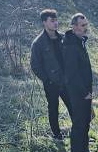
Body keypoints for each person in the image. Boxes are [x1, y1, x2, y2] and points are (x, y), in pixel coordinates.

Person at [29, 9, 69, 142]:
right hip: (51, 83)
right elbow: (35, 65)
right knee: (53, 108)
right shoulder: (38, 43)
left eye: (56, 20)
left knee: (74, 107)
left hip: (67, 81)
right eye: (52, 21)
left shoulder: (64, 38)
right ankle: (57, 135)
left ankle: (78, 133)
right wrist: (47, 80)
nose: (56, 23)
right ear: (44, 22)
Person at [62, 13, 94, 152]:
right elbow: (72, 74)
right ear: (74, 27)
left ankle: (84, 150)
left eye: (86, 25)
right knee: (79, 122)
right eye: (82, 25)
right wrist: (83, 92)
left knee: (85, 120)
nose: (85, 28)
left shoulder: (79, 41)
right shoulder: (70, 45)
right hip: (77, 91)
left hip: (86, 90)